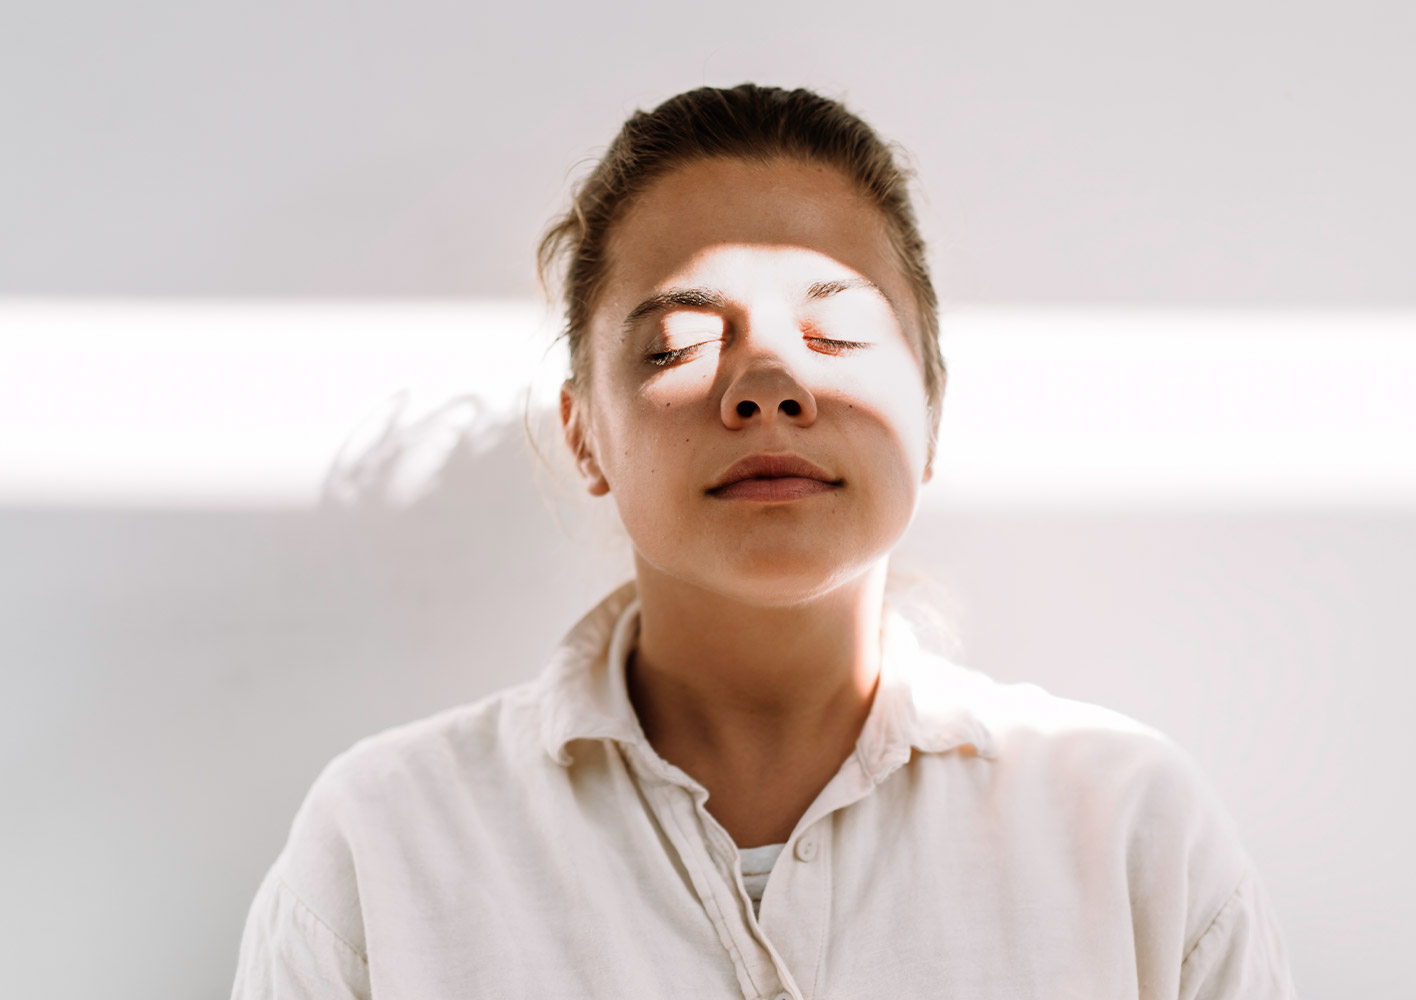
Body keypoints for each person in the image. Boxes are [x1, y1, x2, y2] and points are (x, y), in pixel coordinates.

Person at [231, 84, 1297, 998]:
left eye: (835, 332)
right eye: (682, 342)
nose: (769, 387)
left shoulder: (1130, 833)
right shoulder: (382, 846)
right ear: (583, 433)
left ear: (931, 408)